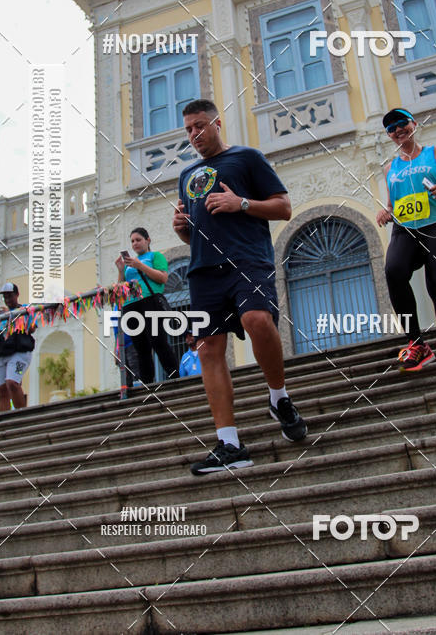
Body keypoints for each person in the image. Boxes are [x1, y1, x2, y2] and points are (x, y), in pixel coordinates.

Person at [173, 98, 307, 475]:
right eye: (188, 130)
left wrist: (241, 203)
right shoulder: (187, 176)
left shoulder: (248, 158)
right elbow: (195, 232)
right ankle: (230, 444)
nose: (194, 134)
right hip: (203, 269)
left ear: (217, 123)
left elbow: (283, 208)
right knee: (208, 349)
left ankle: (278, 398)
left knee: (257, 320)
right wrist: (183, 230)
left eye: (200, 125)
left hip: (247, 260)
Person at [375, 108, 436, 374]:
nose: (397, 130)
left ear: (413, 124)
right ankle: (417, 344)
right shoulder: (390, 168)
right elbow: (394, 204)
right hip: (405, 231)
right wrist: (386, 212)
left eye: (402, 123)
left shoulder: (435, 153)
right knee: (394, 271)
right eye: (391, 128)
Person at [115, 227, 179, 383]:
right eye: (132, 241)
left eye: (138, 240)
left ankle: (175, 377)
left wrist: (140, 265)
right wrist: (121, 270)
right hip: (131, 304)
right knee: (140, 347)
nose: (135, 243)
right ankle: (147, 383)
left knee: (158, 341)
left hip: (150, 301)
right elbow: (120, 288)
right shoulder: (130, 264)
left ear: (148, 240)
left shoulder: (155, 256)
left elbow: (163, 278)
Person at [0, 283, 36, 412]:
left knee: (12, 383)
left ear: (17, 295)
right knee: (2, 390)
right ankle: (4, 423)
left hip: (19, 352)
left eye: (10, 296)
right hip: (0, 352)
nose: (7, 300)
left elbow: (31, 328)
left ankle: (22, 417)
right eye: (5, 297)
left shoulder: (25, 309)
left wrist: (12, 316)